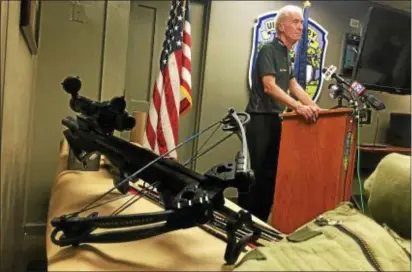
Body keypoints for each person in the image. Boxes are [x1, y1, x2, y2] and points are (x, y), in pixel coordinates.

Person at [238, 5, 321, 222]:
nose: (300, 27)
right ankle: (243, 221)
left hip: (276, 120)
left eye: (301, 23)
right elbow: (269, 86)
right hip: (259, 119)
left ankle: (261, 223)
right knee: (254, 176)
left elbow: (293, 85)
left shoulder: (287, 54)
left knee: (269, 177)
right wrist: (298, 107)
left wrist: (316, 108)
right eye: (296, 22)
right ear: (281, 26)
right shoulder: (268, 50)